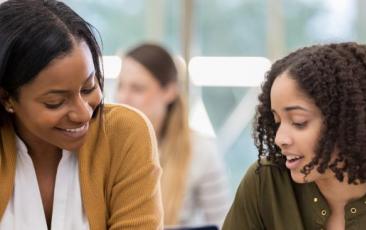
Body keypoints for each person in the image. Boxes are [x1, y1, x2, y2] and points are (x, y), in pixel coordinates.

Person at [0, 1, 163, 229]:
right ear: (7, 98)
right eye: (55, 102)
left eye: (88, 88)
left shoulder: (124, 135)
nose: (83, 113)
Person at [223, 42, 366, 230]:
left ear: (348, 120)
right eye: (277, 122)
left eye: (299, 122)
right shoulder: (266, 182)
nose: (279, 138)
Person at [116, 43, 230, 227]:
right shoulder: (109, 147)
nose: (123, 97)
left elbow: (224, 223)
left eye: (137, 88)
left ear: (169, 91)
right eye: (120, 86)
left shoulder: (201, 149)